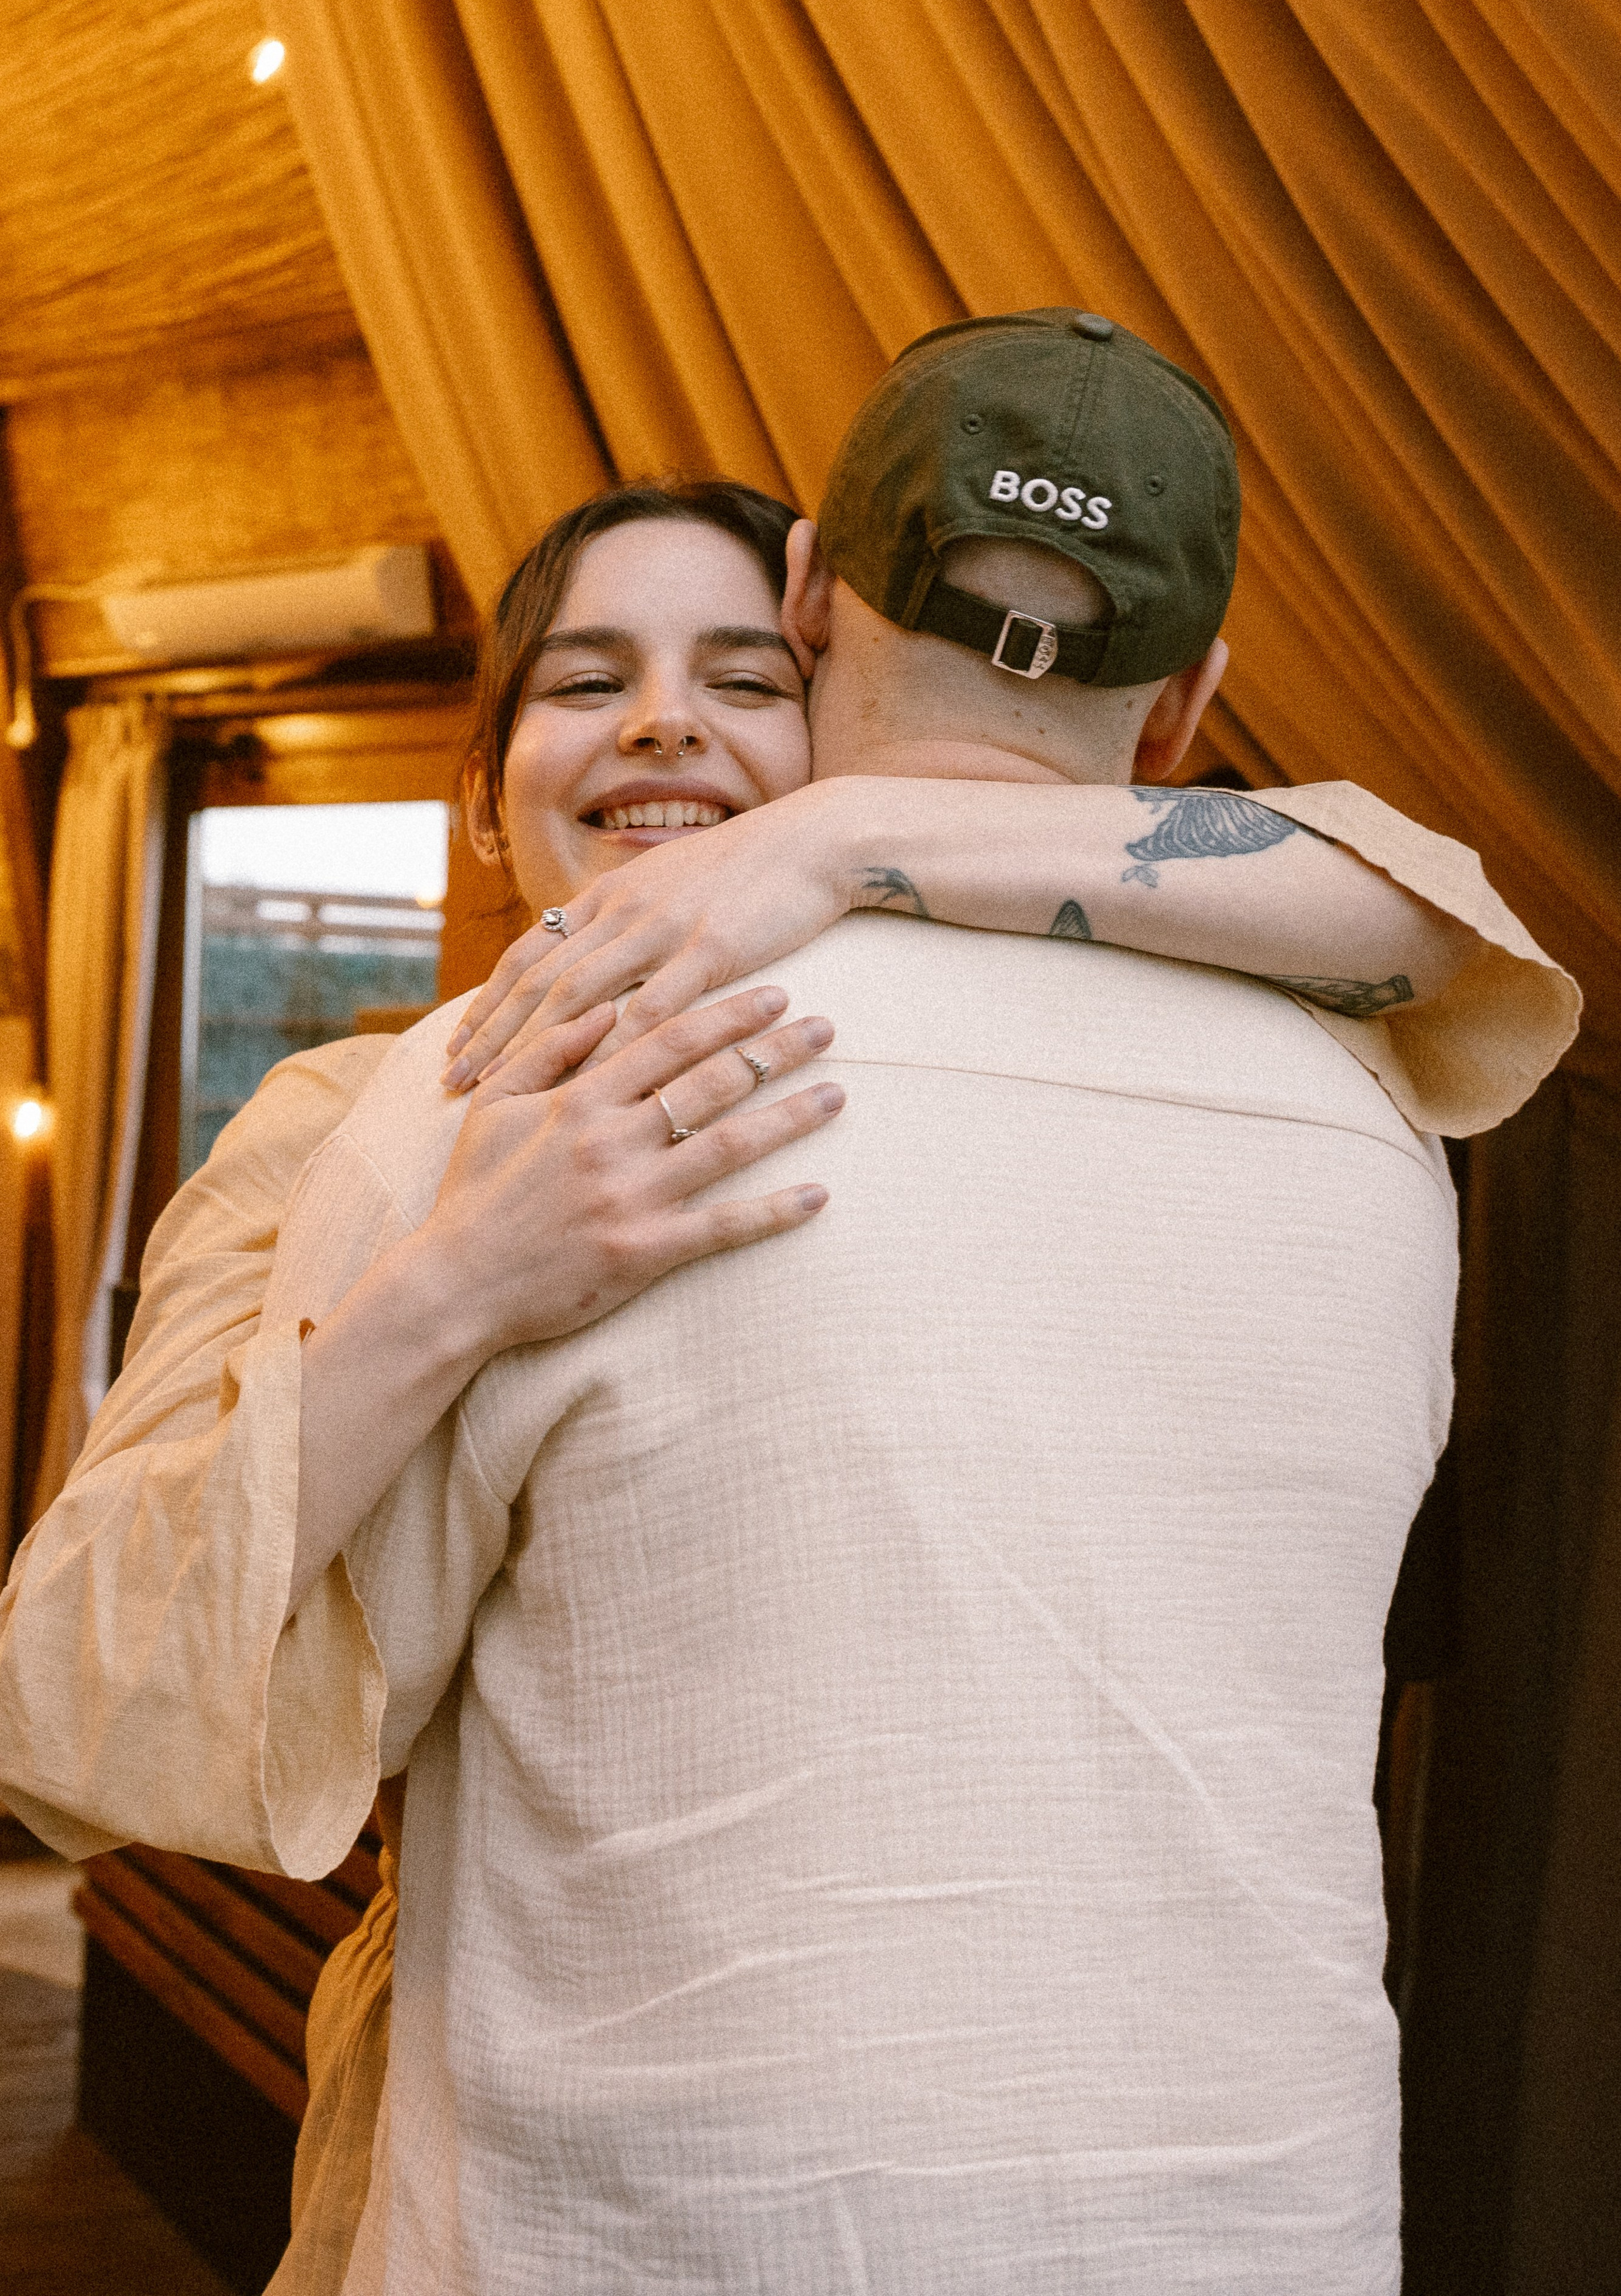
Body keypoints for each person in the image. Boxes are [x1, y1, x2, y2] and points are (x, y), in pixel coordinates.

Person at [0, 334, 1572, 2287]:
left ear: (827, 636)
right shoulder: (1383, 1114)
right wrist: (453, 1284)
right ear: (479, 792)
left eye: (743, 681)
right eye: (587, 682)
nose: (668, 731)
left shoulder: (491, 1091)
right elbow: (79, 1694)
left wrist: (829, 847)